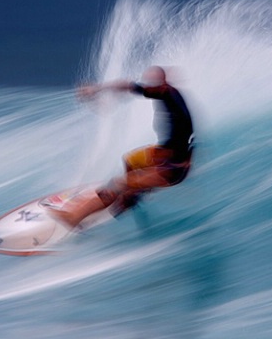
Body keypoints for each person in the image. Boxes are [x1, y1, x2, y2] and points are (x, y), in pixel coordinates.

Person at [49, 66, 194, 228]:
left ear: (164, 82)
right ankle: (130, 196)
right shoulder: (169, 94)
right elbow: (133, 88)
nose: (149, 85)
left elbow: (128, 86)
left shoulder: (166, 93)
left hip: (172, 168)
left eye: (154, 82)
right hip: (167, 154)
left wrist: (96, 89)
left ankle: (74, 218)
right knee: (131, 160)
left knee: (117, 184)